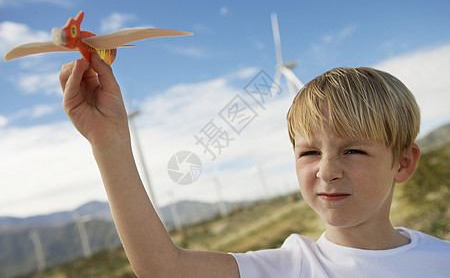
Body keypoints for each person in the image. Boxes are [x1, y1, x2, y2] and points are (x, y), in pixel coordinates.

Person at [59, 53, 450, 277]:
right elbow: (163, 268)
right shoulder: (288, 268)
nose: (327, 171)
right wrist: (108, 142)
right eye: (309, 152)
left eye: (353, 151)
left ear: (402, 163)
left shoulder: (441, 260)